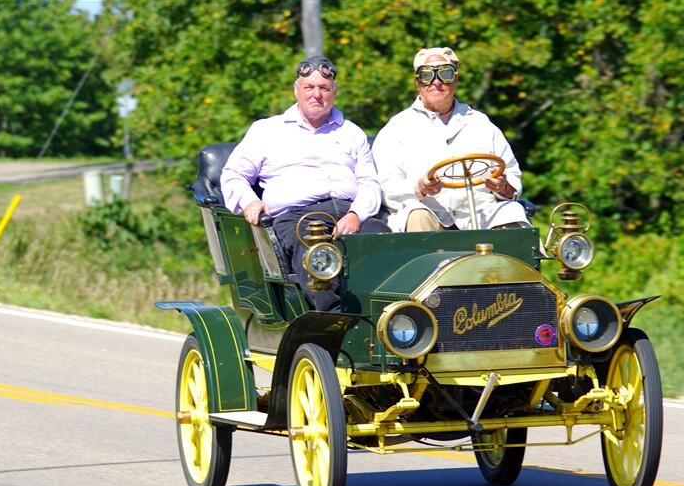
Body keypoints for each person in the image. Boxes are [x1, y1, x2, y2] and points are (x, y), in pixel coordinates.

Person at [220, 55, 389, 311]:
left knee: (386, 244)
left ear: (334, 92)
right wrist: (250, 202)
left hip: (350, 214)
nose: (316, 94)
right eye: (309, 87)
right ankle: (331, 325)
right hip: (298, 218)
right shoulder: (267, 130)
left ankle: (390, 324)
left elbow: (369, 182)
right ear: (296, 90)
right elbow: (233, 174)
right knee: (316, 249)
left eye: (324, 88)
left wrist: (356, 214)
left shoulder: (351, 132)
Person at [372, 46, 530, 232]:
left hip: (481, 214)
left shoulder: (481, 124)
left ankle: (506, 262)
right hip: (430, 214)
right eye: (427, 75)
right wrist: (420, 187)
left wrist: (503, 186)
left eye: (445, 74)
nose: (436, 82)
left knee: (512, 211)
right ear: (417, 82)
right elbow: (385, 185)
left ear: (455, 79)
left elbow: (511, 174)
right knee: (417, 215)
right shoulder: (397, 128)